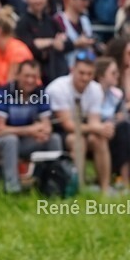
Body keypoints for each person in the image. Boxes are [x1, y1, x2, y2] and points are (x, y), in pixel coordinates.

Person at [0, 59, 61, 193]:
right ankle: (12, 188)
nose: (30, 80)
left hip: (21, 142)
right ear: (17, 75)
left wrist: (43, 133)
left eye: (34, 77)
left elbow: (47, 125)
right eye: (27, 76)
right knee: (11, 140)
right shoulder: (2, 93)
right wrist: (30, 130)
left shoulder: (40, 93)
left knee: (54, 139)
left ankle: (55, 184)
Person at [46, 51, 111, 194]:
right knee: (78, 140)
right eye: (81, 73)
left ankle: (105, 188)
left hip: (82, 127)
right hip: (58, 131)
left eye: (89, 74)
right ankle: (78, 186)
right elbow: (68, 125)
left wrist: (103, 129)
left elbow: (95, 121)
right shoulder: (58, 88)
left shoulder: (95, 89)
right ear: (72, 70)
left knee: (99, 139)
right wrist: (97, 128)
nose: (85, 78)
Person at [95, 56, 130, 188]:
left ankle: (123, 179)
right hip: (97, 131)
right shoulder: (93, 92)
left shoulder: (116, 94)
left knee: (125, 128)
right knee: (123, 129)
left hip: (114, 131)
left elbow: (123, 116)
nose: (117, 75)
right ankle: (122, 179)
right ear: (101, 76)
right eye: (113, 73)